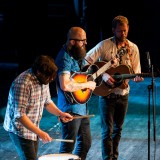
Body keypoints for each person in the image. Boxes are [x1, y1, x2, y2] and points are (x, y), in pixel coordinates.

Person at [84, 15, 144, 160]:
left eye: (125, 31)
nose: (123, 34)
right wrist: (102, 75)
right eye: (119, 31)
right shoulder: (104, 45)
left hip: (123, 94)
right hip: (106, 95)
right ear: (113, 30)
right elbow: (86, 61)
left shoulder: (133, 48)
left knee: (118, 130)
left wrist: (136, 78)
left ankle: (114, 157)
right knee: (107, 131)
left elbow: (135, 72)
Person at [3, 55, 73, 160]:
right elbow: (20, 115)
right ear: (39, 72)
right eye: (49, 77)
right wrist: (40, 133)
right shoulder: (23, 83)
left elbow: (47, 102)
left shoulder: (44, 79)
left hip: (33, 127)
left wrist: (60, 114)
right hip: (19, 129)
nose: (50, 80)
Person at [55, 26, 96, 160]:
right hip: (70, 109)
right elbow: (65, 85)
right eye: (82, 40)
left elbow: (83, 73)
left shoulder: (78, 54)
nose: (85, 43)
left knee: (85, 143)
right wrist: (88, 84)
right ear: (72, 41)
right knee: (68, 147)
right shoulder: (64, 58)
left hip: (81, 106)